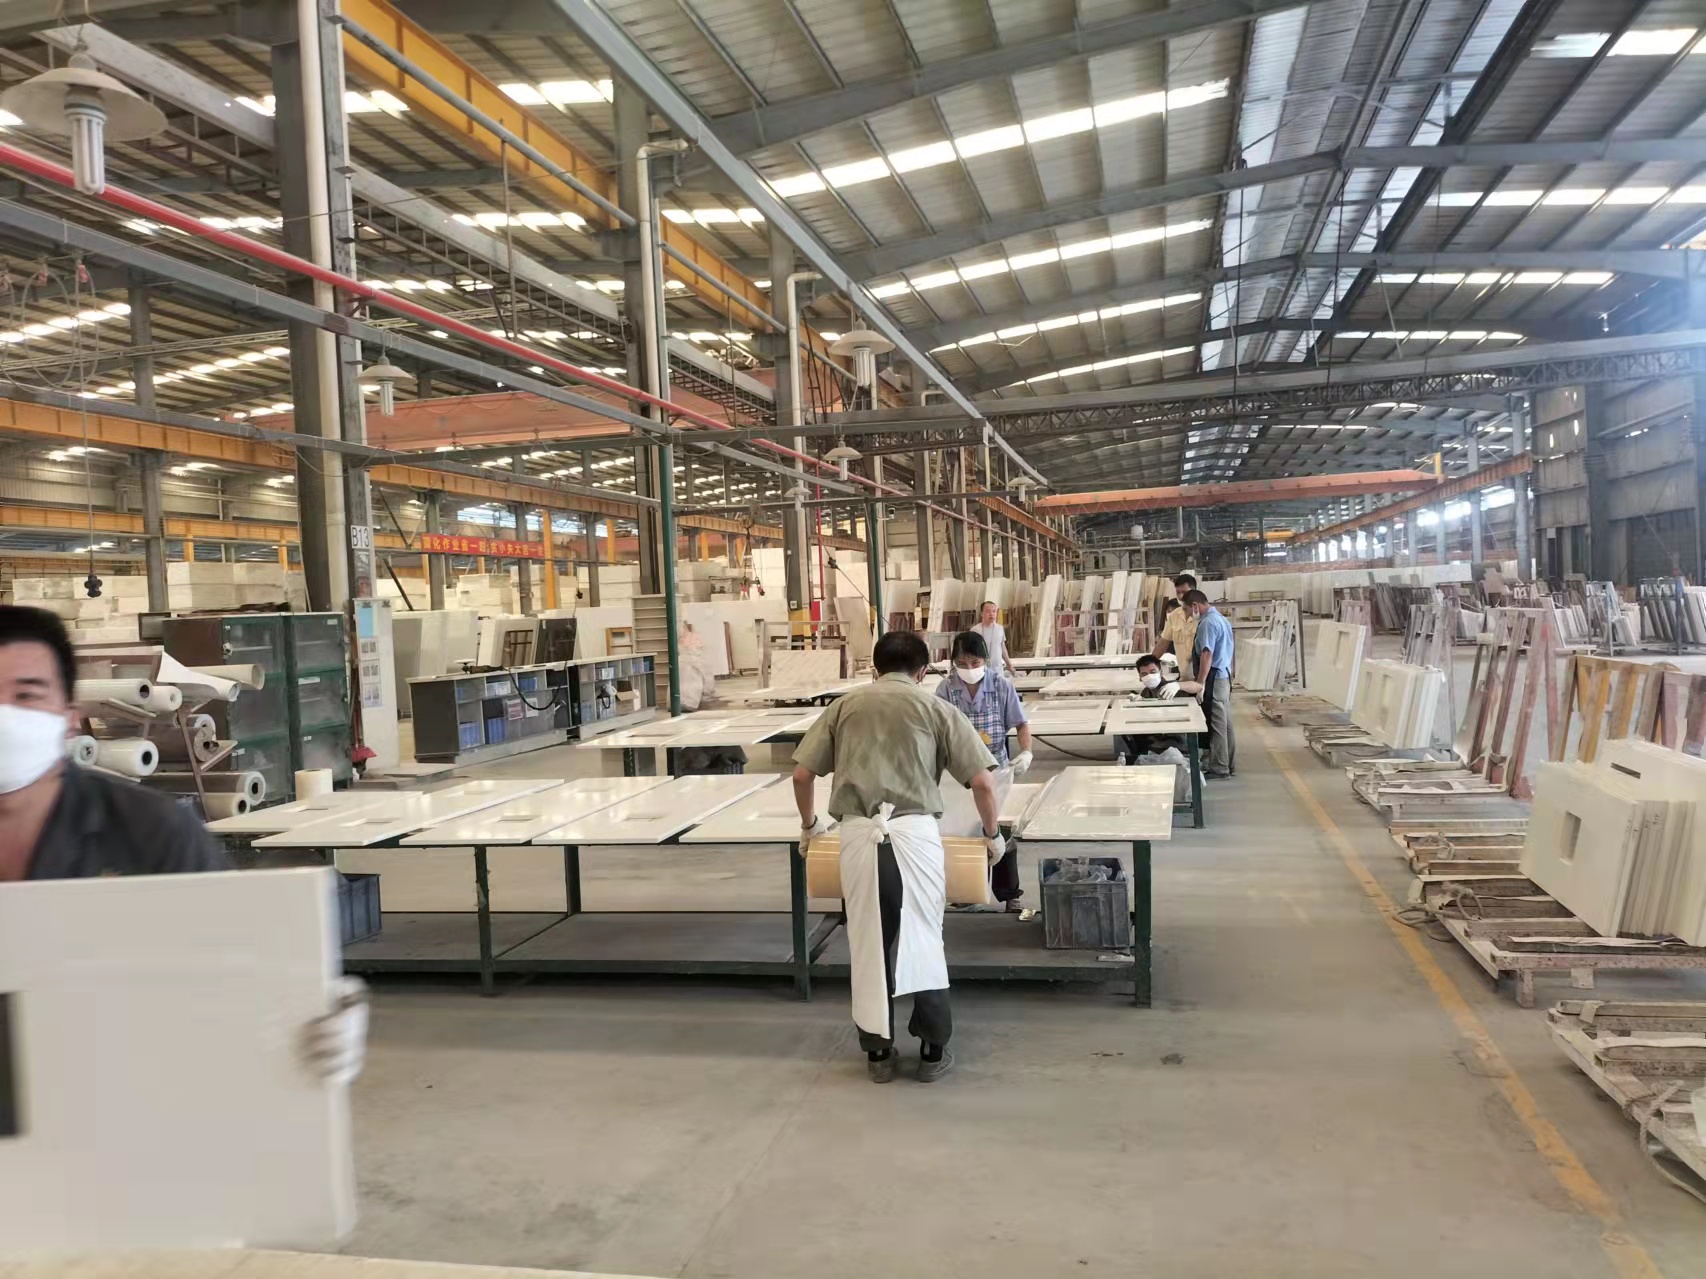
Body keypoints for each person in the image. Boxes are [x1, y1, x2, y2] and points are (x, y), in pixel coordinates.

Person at [0, 605, 368, 1084]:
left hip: (112, 1103)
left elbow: (240, 966)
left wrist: (315, 1001)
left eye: (26, 695)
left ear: (71, 719)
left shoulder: (147, 832)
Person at [792, 631, 1001, 1084]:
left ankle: (878, 1055)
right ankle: (931, 1052)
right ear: (923, 671)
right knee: (923, 938)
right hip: (915, 837)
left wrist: (810, 827)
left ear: (874, 667)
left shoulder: (844, 707)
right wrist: (992, 836)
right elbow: (983, 784)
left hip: (859, 837)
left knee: (868, 942)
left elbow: (802, 773)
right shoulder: (937, 709)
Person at [936, 630, 1031, 911]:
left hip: (996, 769)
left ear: (985, 660)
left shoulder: (1001, 686)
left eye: (975, 663)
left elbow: (1021, 724)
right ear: (953, 662)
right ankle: (967, 891)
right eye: (962, 664)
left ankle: (1009, 893)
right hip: (958, 772)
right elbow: (937, 730)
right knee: (964, 830)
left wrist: (1026, 752)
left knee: (1000, 829)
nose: (969, 669)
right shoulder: (946, 689)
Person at [1183, 589, 1236, 778]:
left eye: (1188, 610)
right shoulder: (1221, 618)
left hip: (1214, 677)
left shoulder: (1207, 623)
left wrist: (1200, 683)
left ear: (1196, 606)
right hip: (1224, 674)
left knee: (1216, 724)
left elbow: (1207, 653)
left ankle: (1220, 768)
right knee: (1226, 723)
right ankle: (1228, 763)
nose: (1188, 614)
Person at [1114, 653, 1204, 762]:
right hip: (1156, 737)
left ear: (1161, 672)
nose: (1149, 676)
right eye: (1144, 674)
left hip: (1175, 742)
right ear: (1140, 678)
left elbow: (1198, 687)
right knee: (1122, 731)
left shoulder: (1170, 688)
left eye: (1153, 672)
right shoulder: (1146, 692)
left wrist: (1178, 685)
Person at [1152, 575, 1199, 660]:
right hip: (1183, 671)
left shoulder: (1204, 616)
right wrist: (1150, 663)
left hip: (1203, 671)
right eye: (1178, 592)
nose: (1181, 597)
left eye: (1184, 592)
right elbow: (1163, 643)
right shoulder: (1174, 616)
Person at [971, 600, 1012, 675]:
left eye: (994, 611)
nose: (991, 614)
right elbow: (970, 652)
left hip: (997, 670)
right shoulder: (975, 630)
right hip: (981, 670)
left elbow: (1003, 648)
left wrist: (1009, 665)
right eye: (988, 611)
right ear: (981, 613)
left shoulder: (1000, 628)